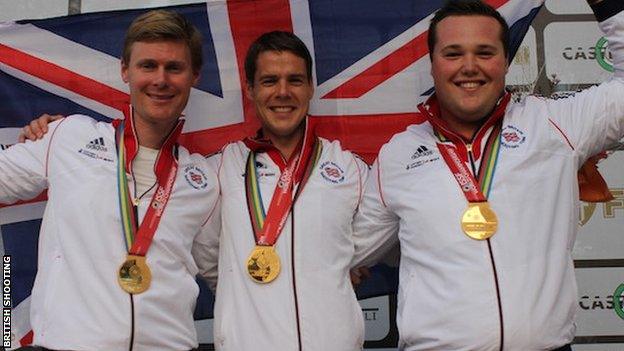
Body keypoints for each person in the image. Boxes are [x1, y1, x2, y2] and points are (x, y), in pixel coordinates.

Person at [352, 0, 624, 350]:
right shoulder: (398, 155)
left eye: (484, 52)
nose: (469, 67)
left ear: (505, 62)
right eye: (453, 54)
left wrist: (608, 5)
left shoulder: (556, 125)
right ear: (432, 65)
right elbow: (345, 251)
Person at [0, 10, 219, 351]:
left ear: (195, 77)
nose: (160, 79)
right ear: (124, 71)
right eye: (148, 66)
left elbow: (229, 275)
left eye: (174, 68)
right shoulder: (68, 136)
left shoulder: (203, 179)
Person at [194, 31, 369, 350]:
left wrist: (332, 263)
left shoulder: (348, 168)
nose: (283, 92)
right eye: (270, 80)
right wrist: (242, 288)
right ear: (250, 89)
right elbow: (207, 255)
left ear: (311, 87)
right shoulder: (221, 168)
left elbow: (379, 235)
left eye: (295, 80)